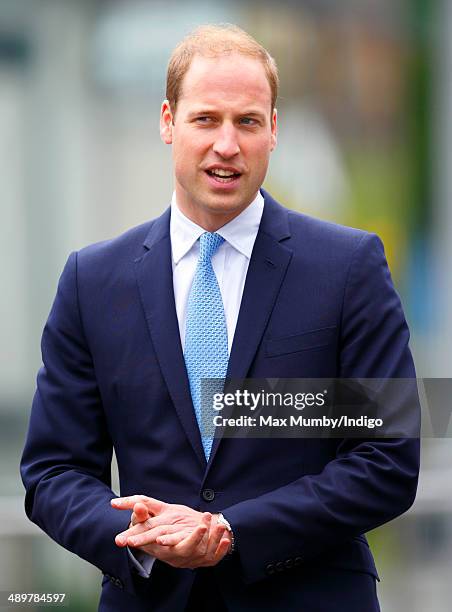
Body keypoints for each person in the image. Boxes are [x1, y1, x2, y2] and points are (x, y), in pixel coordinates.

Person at [21, 24, 420, 611]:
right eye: (206, 119)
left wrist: (233, 530)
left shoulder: (347, 268)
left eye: (248, 121)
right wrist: (142, 541)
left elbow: (388, 458)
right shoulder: (92, 281)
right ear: (167, 122)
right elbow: (53, 471)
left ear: (274, 130)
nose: (226, 145)